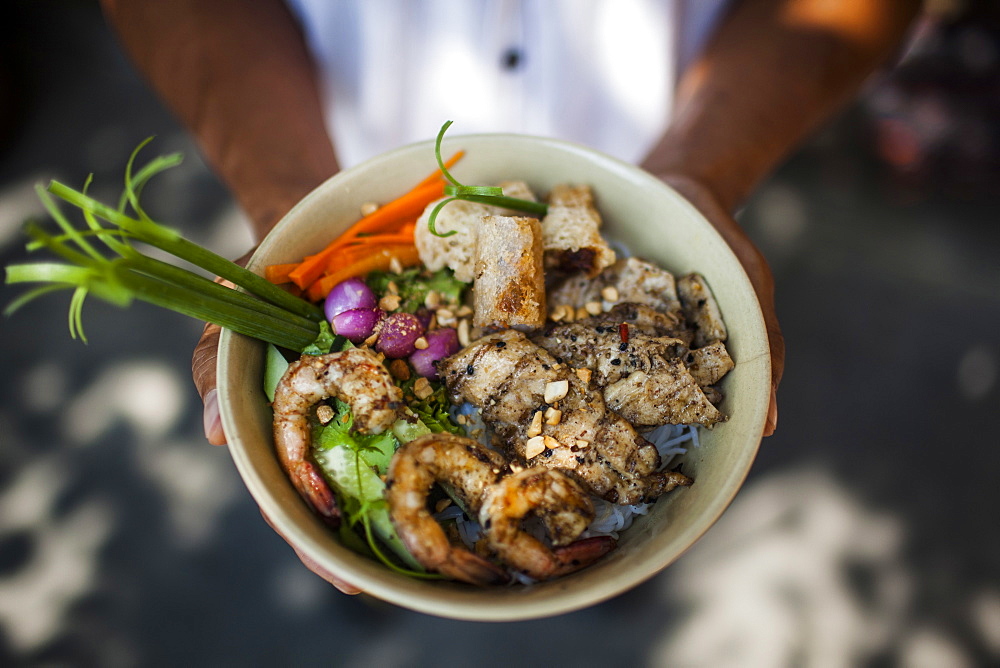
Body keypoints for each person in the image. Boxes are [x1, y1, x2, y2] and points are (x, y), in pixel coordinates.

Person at [98, 0, 921, 593]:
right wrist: (288, 208)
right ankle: (391, 573)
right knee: (370, 554)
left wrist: (698, 176)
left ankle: (593, 572)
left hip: (667, 148)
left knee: (615, 531)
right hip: (346, 160)